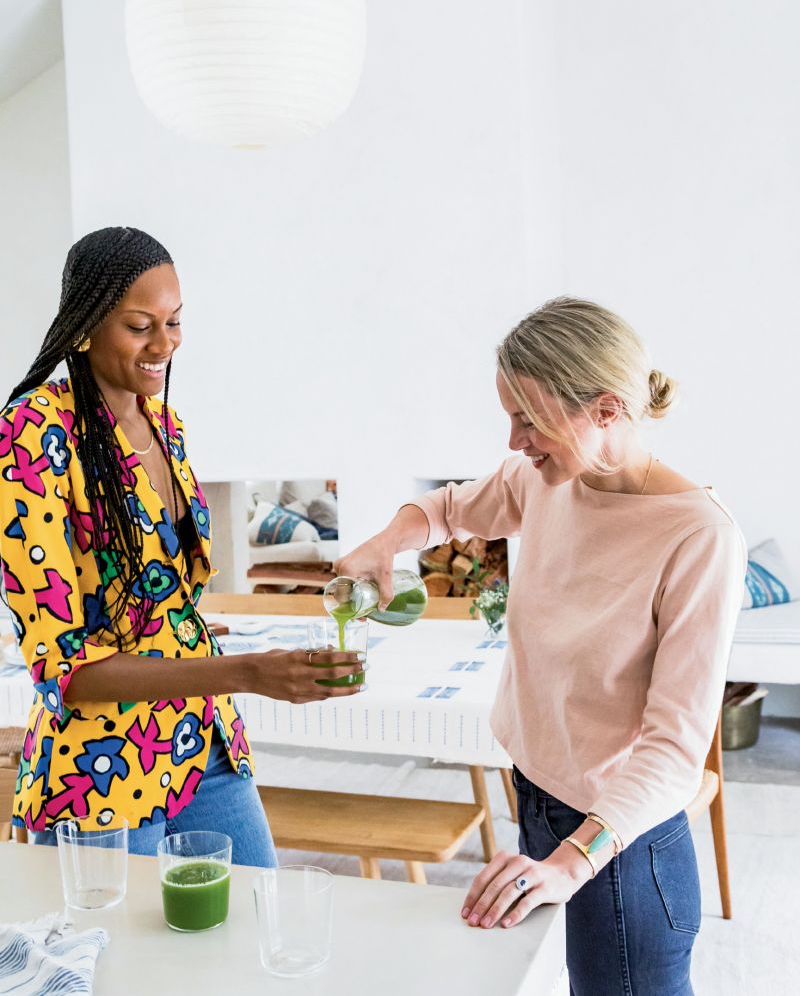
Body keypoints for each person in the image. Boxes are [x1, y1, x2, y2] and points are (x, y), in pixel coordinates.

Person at [335, 296, 745, 996]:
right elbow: (449, 506)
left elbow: (676, 750)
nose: (514, 440)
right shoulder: (549, 480)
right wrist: (383, 542)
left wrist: (569, 860)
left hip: (620, 843)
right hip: (541, 799)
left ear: (608, 409)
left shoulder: (698, 537)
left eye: (530, 418)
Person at [0, 226, 362, 865]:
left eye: (174, 321)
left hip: (203, 744)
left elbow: (157, 589)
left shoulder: (164, 424)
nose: (164, 344)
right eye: (140, 325)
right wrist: (250, 672)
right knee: (121, 960)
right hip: (98, 772)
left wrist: (184, 627)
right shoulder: (30, 434)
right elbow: (64, 667)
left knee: (254, 920)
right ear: (84, 326)